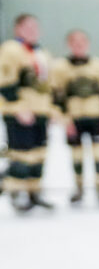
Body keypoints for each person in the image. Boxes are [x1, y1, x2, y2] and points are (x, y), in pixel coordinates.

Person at [50, 29, 99, 204]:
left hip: (96, 117)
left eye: (82, 42)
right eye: (75, 42)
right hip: (74, 119)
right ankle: (78, 189)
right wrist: (65, 120)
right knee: (77, 157)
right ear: (69, 44)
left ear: (87, 44)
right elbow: (57, 97)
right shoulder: (60, 68)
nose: (79, 46)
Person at [0, 13, 56, 211]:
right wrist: (18, 108)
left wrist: (50, 111)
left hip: (40, 111)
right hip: (20, 112)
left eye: (35, 27)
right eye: (27, 27)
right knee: (21, 154)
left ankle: (34, 192)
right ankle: (17, 193)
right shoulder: (11, 50)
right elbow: (5, 84)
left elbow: (48, 86)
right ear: (18, 29)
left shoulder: (41, 53)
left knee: (39, 153)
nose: (32, 31)